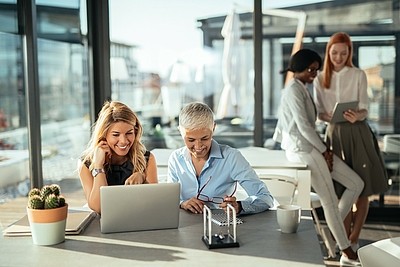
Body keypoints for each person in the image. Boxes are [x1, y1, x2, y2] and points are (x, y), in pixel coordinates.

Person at [273, 48, 364, 266]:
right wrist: (325, 151)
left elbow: (308, 123)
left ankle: (335, 230)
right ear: (299, 69)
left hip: (312, 147)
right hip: (304, 150)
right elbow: (304, 127)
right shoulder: (293, 90)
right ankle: (346, 252)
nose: (314, 74)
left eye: (316, 70)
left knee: (356, 183)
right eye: (311, 70)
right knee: (330, 201)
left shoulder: (301, 87)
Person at [313, 32, 388, 251]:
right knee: (341, 189)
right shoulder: (319, 78)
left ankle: (354, 239)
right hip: (334, 135)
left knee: (363, 187)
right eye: (334, 53)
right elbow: (318, 112)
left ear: (349, 53)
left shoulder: (358, 74)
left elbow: (364, 107)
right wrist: (326, 116)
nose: (338, 57)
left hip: (358, 132)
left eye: (343, 53)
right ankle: (342, 239)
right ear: (328, 52)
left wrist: (358, 115)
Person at [167, 102, 274, 215]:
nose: (198, 147)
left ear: (213, 128)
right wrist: (182, 203)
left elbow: (265, 198)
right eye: (191, 140)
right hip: (184, 227)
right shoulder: (175, 159)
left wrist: (240, 206)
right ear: (180, 131)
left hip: (220, 225)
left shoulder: (232, 158)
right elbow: (169, 200)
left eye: (204, 138)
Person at [78, 101, 158, 214]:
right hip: (102, 228)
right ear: (104, 134)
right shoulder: (86, 163)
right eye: (116, 135)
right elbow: (99, 208)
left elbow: (154, 204)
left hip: (139, 221)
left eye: (129, 133)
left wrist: (143, 178)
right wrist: (98, 166)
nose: (124, 141)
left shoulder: (146, 159)